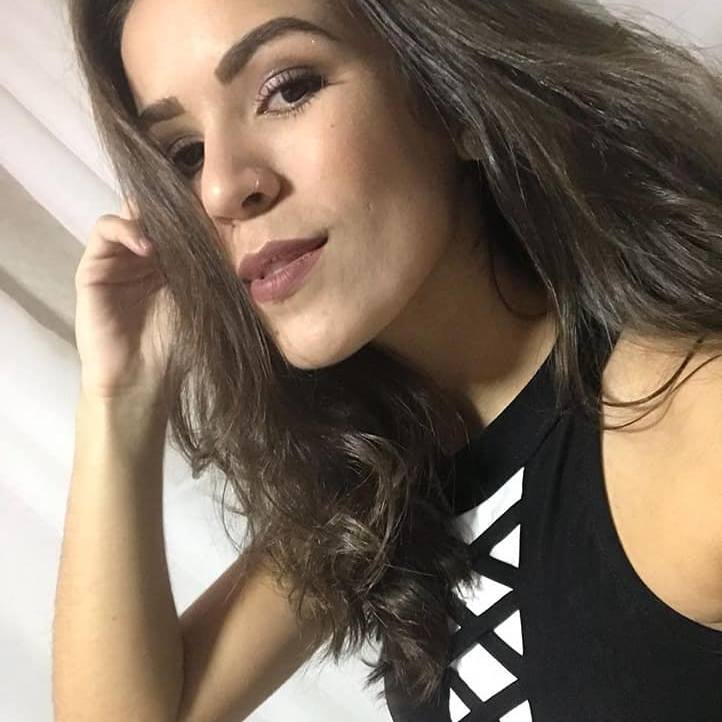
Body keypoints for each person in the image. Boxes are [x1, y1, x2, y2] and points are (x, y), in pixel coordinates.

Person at [53, 1, 722, 721]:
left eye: (288, 89)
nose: (220, 189)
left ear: (451, 96)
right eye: (185, 155)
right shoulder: (384, 491)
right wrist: (122, 392)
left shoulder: (691, 428)